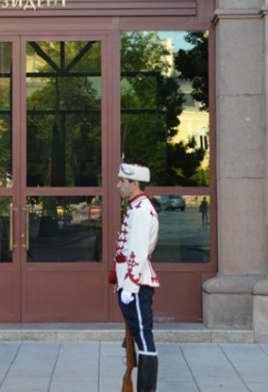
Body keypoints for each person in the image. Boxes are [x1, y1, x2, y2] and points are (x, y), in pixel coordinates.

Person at [111, 162, 159, 392]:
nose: (118, 185)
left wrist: (129, 286)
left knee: (144, 338)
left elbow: (138, 251)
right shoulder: (136, 207)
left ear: (135, 183)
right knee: (138, 337)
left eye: (123, 181)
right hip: (131, 284)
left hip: (136, 286)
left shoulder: (141, 210)